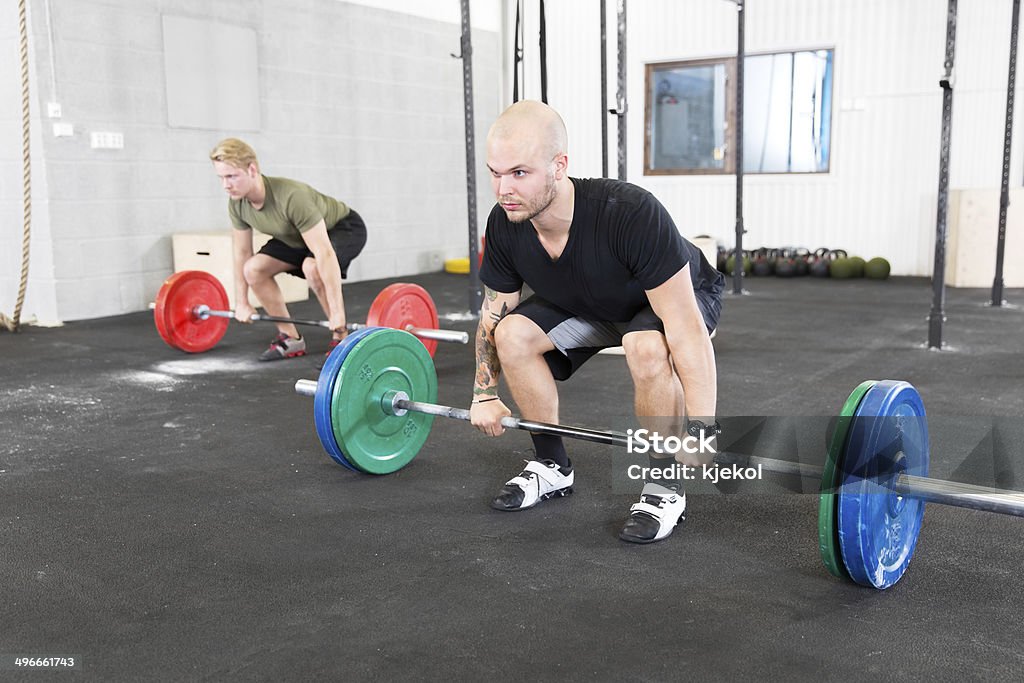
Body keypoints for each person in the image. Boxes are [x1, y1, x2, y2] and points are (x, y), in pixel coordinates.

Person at [469, 101, 723, 544]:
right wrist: (483, 393)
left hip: (670, 300)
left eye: (519, 173)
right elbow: (495, 312)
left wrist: (702, 428)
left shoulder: (629, 213)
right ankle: (551, 466)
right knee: (513, 335)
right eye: (495, 172)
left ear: (559, 166)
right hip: (590, 299)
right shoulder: (506, 222)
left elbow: (684, 329)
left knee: (647, 346)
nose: (502, 188)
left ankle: (664, 483)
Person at [209, 138, 367, 361]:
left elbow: (324, 252)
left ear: (252, 169)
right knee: (253, 269)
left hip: (341, 228)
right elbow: (242, 253)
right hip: (295, 237)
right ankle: (290, 337)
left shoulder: (291, 197)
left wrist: (338, 313)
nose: (226, 185)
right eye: (221, 178)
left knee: (312, 266)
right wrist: (242, 301)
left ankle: (341, 338)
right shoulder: (237, 203)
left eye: (231, 176)